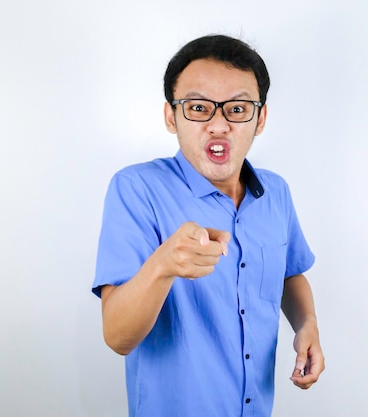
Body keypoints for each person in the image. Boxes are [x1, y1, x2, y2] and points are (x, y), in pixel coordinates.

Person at [92, 34, 325, 417]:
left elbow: (289, 274)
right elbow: (117, 337)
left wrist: (307, 324)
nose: (219, 125)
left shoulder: (276, 193)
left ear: (260, 118)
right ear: (172, 116)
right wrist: (164, 264)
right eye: (199, 107)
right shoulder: (136, 189)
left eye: (237, 109)